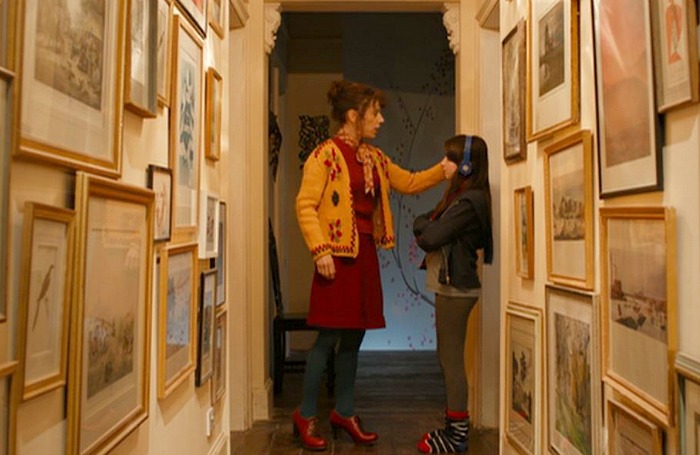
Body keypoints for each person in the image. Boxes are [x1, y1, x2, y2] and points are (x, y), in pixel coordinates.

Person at [293, 80, 449, 451]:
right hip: (335, 259)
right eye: (374, 113)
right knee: (327, 338)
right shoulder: (324, 156)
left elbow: (408, 182)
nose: (380, 120)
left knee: (355, 336)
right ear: (353, 115)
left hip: (363, 256)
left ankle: (344, 412)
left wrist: (443, 171)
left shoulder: (373, 158)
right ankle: (306, 414)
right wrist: (320, 251)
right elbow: (305, 206)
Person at [412, 134, 494, 453]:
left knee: (451, 360)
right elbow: (427, 223)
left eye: (449, 158)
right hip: (450, 287)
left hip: (456, 290)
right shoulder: (459, 198)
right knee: (446, 358)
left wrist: (425, 225)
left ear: (466, 165)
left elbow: (430, 235)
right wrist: (426, 224)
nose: (443, 164)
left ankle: (457, 436)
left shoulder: (468, 202)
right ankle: (453, 428)